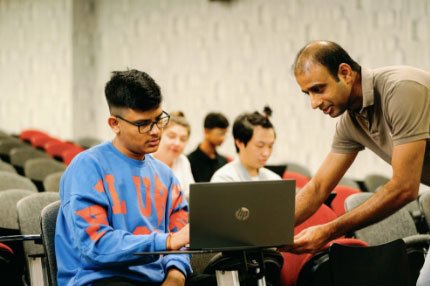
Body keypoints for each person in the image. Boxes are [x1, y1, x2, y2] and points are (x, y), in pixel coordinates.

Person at [281, 40, 430, 259]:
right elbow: (318, 187)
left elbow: (404, 187)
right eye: (308, 94)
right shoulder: (351, 122)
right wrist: (267, 233)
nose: (314, 103)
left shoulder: (401, 89)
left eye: (318, 89)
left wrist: (329, 230)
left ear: (345, 73)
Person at [55, 70, 191, 286]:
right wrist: (167, 241)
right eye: (143, 123)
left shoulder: (166, 175)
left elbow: (181, 237)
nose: (155, 131)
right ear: (114, 124)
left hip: (159, 279)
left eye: (159, 119)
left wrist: (175, 274)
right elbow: (96, 246)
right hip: (102, 278)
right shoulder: (88, 167)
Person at [211, 106, 281, 182]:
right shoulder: (224, 179)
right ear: (239, 143)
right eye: (260, 146)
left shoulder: (274, 179)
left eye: (270, 146)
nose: (266, 153)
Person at [153, 111, 195, 197]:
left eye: (183, 139)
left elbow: (191, 196)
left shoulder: (182, 161)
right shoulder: (144, 159)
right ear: (159, 135)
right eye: (171, 137)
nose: (177, 143)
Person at [187, 112, 229, 182]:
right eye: (220, 133)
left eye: (225, 133)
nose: (223, 138)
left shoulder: (223, 161)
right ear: (206, 131)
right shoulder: (189, 161)